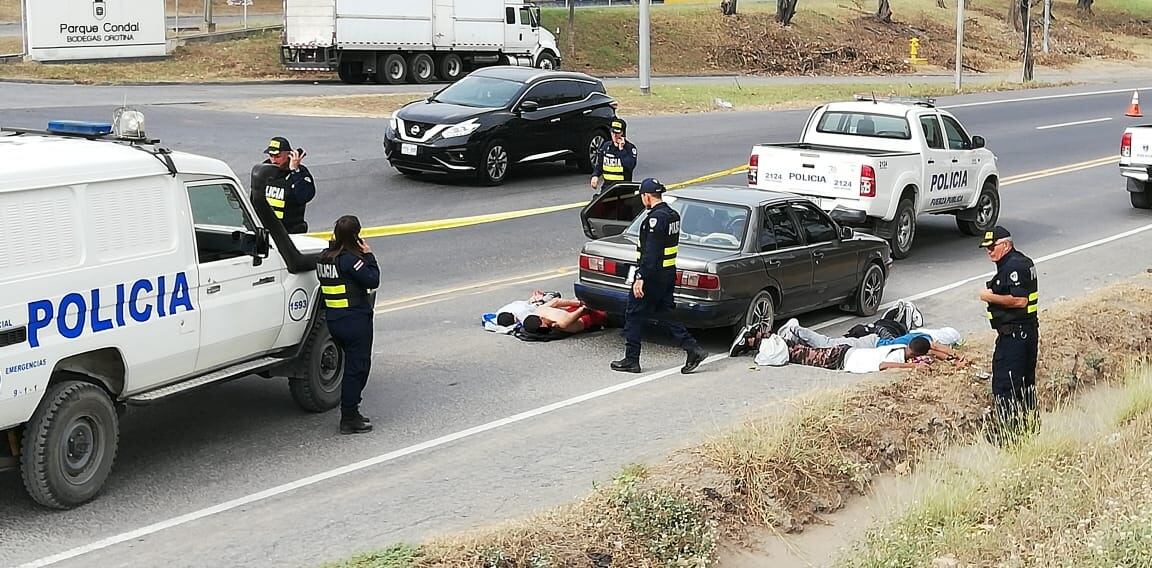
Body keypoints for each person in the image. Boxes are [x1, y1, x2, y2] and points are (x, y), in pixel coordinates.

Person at [612, 178, 708, 374]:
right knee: (666, 313)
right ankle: (692, 349)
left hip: (652, 275)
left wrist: (640, 277)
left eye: (642, 197)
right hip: (667, 273)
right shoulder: (673, 215)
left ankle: (631, 359)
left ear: (647, 196)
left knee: (634, 313)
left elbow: (651, 252)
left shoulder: (655, 219)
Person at [316, 215, 379, 435]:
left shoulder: (325, 258)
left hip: (334, 321)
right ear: (355, 235)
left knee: (351, 367)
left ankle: (352, 412)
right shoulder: (350, 260)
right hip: (354, 321)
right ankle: (349, 417)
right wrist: (368, 255)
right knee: (357, 369)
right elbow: (373, 279)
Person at [979, 226, 1039, 442]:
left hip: (1015, 336)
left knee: (1006, 385)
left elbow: (1020, 300)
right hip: (1024, 333)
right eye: (986, 248)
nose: (989, 252)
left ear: (1005, 245)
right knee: (1024, 385)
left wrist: (989, 296)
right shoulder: (1019, 262)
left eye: (992, 247)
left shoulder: (1014, 266)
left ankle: (1008, 435)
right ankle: (1028, 430)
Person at [776, 318, 965, 363]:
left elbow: (934, 351)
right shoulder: (924, 339)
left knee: (826, 348)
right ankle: (795, 328)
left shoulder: (921, 342)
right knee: (827, 344)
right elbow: (935, 347)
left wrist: (951, 359)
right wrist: (955, 355)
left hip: (873, 346)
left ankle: (795, 339)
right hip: (870, 344)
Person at [786, 336, 932, 373]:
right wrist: (913, 366)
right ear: (915, 355)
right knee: (803, 356)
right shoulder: (898, 357)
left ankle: (787, 343)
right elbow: (883, 365)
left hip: (847, 352)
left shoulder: (899, 347)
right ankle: (780, 346)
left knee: (809, 352)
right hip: (842, 359)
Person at [261, 136, 316, 234]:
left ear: (289, 155)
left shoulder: (300, 173)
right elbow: (255, 199)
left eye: (278, 156)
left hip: (290, 232)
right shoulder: (264, 171)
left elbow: (305, 196)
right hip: (266, 230)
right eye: (271, 156)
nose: (273, 160)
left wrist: (295, 171)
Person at [589, 118, 638, 193]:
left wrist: (621, 150)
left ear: (623, 134)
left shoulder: (630, 148)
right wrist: (595, 175)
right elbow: (599, 166)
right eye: (612, 132)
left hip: (623, 188)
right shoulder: (606, 146)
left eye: (617, 133)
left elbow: (630, 166)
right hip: (607, 188)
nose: (614, 135)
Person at [522, 297, 609, 335]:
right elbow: (583, 311)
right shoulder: (562, 323)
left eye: (543, 325)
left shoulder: (540, 310)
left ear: (541, 318)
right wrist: (582, 304)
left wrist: (578, 303)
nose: (546, 327)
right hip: (586, 318)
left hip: (573, 311)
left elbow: (556, 301)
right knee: (607, 315)